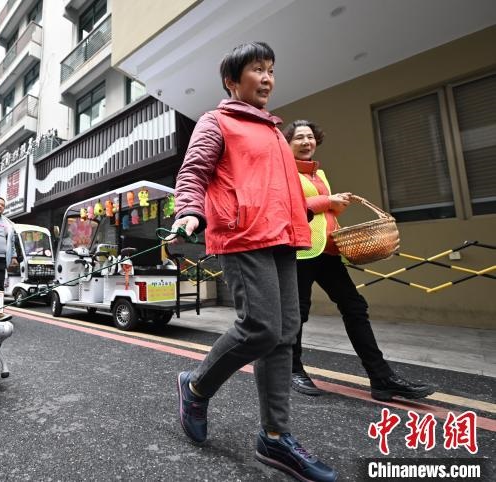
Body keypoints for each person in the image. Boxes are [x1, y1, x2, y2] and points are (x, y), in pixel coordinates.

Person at [170, 42, 337, 482]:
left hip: (282, 237)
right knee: (260, 326)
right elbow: (193, 172)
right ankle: (197, 385)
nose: (267, 78)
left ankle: (276, 437)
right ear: (232, 81)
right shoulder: (217, 121)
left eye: (270, 70)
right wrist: (188, 209)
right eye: (257, 70)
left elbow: (282, 191)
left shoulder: (275, 135)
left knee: (283, 334)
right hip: (243, 234)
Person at [283, 119, 435, 402]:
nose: (306, 142)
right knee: (298, 313)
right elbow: (291, 209)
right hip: (300, 251)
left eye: (310, 137)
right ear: (288, 144)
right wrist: (328, 201)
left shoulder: (321, 175)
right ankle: (293, 369)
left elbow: (323, 214)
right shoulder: (285, 172)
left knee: (354, 307)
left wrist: (334, 207)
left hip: (329, 251)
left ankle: (381, 378)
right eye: (299, 138)